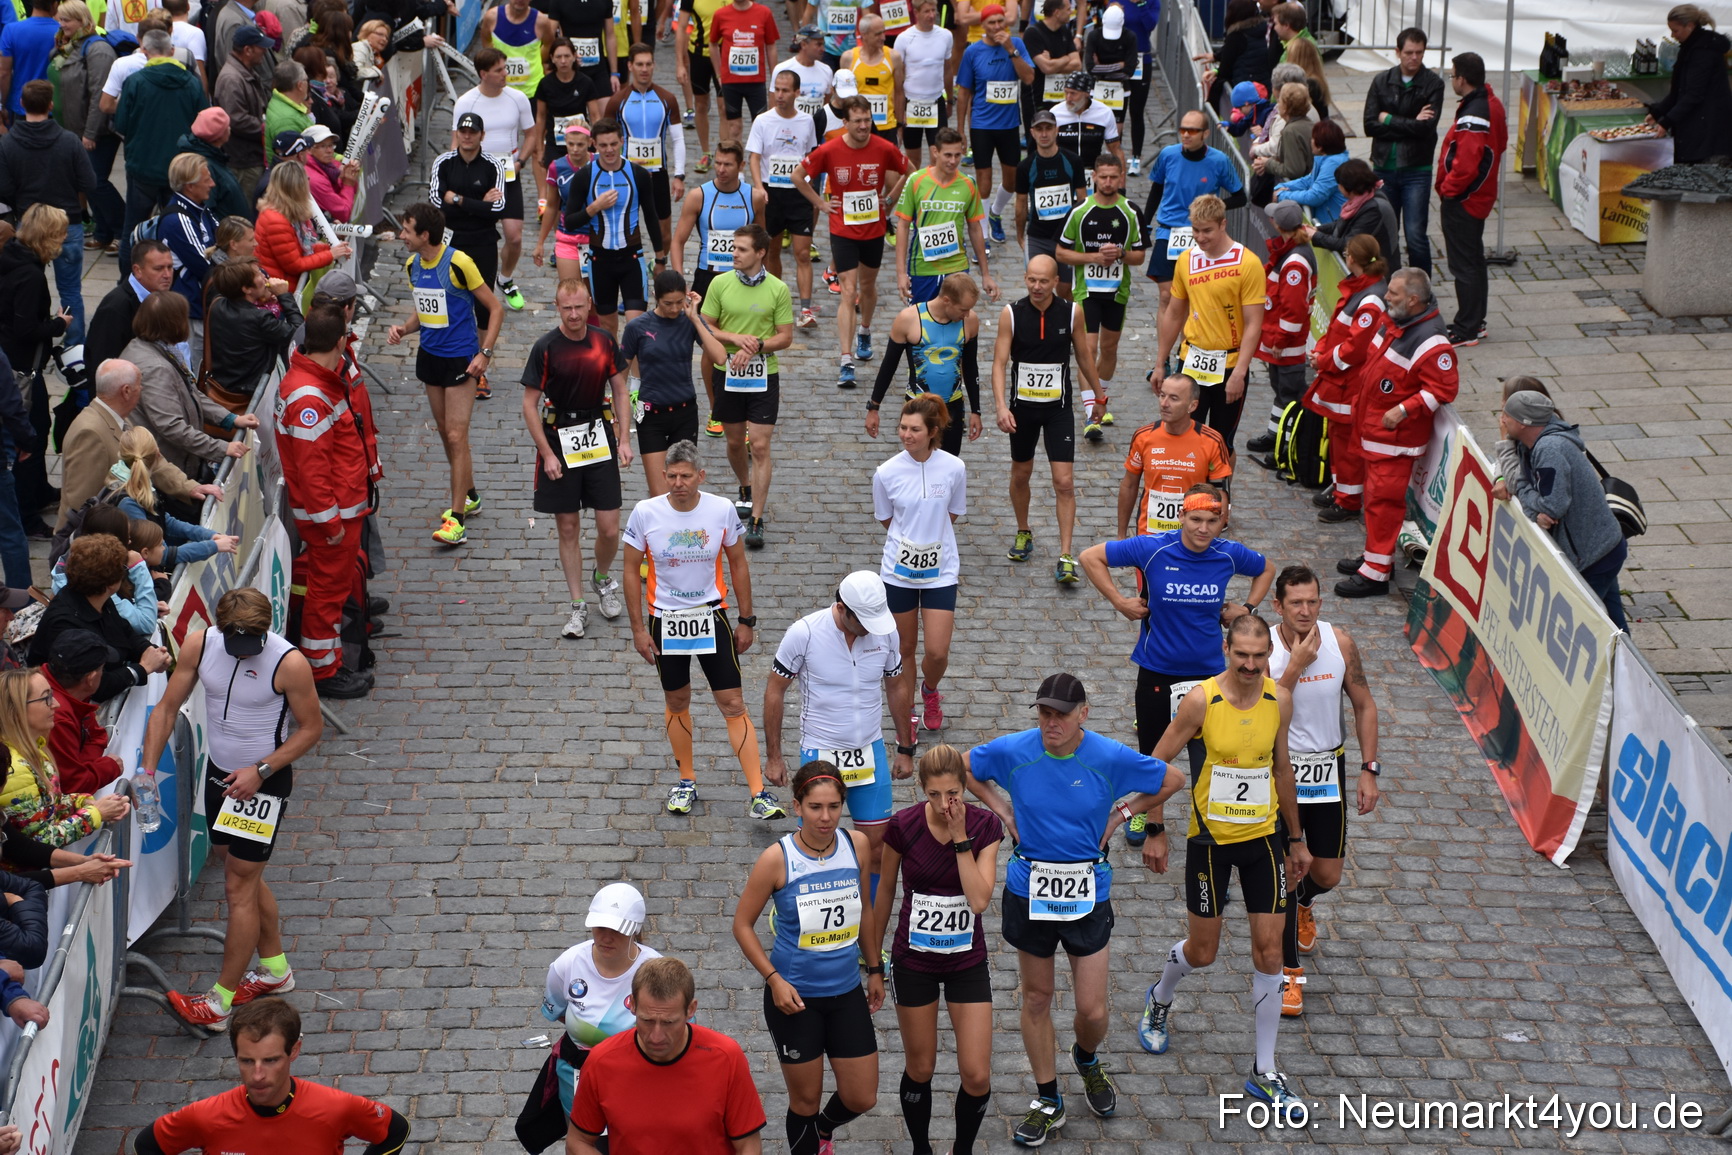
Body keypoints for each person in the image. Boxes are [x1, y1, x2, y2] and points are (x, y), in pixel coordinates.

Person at [963, 672, 1181, 1145]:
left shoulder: (1107, 756)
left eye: (1061, 714)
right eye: (1044, 713)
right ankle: (1047, 1098)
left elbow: (1173, 778)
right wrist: (1001, 811)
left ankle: (1086, 1057)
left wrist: (1122, 815)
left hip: (1088, 894)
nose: (1051, 722)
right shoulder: (1015, 750)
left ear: (1083, 714)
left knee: (1092, 1008)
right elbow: (962, 767)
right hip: (1029, 887)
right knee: (1037, 998)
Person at [1137, 614, 1307, 1109]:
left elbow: (1281, 770)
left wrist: (1296, 839)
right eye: (1242, 655)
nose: (1251, 665)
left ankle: (1266, 1069)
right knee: (1204, 951)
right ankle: (1160, 997)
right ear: (1226, 651)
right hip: (1210, 841)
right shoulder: (1201, 700)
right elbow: (1157, 763)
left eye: (1260, 657)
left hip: (1264, 839)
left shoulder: (1281, 699)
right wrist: (1155, 829)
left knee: (1270, 951)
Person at [139, 589, 324, 1029]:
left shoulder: (288, 662)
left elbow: (311, 728)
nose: (245, 652)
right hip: (220, 774)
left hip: (263, 782)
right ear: (219, 627)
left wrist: (260, 770)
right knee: (236, 868)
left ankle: (220, 1003)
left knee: (238, 886)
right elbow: (166, 709)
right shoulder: (201, 643)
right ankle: (276, 969)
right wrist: (147, 772)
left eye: (254, 641)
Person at [621, 440, 780, 819]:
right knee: (677, 702)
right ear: (663, 476)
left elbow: (738, 563)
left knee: (733, 703)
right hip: (666, 620)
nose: (678, 483)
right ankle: (686, 781)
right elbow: (629, 571)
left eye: (686, 476)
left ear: (700, 476)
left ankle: (758, 793)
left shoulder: (721, 509)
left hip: (712, 616)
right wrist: (638, 630)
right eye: (672, 476)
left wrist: (746, 619)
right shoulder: (645, 513)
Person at [732, 760, 879, 1155]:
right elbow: (742, 925)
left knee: (863, 1095)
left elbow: (864, 910)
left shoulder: (856, 845)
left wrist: (876, 969)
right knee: (805, 1102)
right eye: (815, 807)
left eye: (834, 806)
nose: (826, 817)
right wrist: (773, 979)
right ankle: (809, 1143)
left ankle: (823, 1132)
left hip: (846, 991)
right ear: (797, 807)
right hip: (795, 999)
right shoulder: (776, 859)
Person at [1080, 479, 1273, 763]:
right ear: (1181, 516)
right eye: (1195, 519)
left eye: (1212, 521)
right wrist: (1119, 602)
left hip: (1208, 674)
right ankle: (1147, 808)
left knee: (1209, 759)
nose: (1203, 529)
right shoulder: (1153, 548)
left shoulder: (1227, 554)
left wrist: (1247, 609)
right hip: (1158, 670)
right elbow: (1090, 557)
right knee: (1152, 759)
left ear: (1222, 520)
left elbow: (1267, 569)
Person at [867, 744, 999, 1155]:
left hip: (966, 961)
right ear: (923, 790)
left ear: (965, 788)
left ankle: (962, 1149)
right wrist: (875, 964)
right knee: (920, 1068)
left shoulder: (985, 827)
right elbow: (885, 890)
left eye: (953, 794)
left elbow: (978, 900)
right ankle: (921, 1147)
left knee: (976, 1075)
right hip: (915, 960)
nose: (945, 804)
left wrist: (961, 839)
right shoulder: (903, 826)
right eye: (935, 795)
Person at [1266, 564, 1380, 1015]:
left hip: (1326, 769)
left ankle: (1307, 903)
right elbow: (1260, 710)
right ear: (1278, 606)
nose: (1306, 610)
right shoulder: (1264, 650)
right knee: (1289, 872)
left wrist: (1369, 769)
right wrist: (1294, 668)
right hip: (1279, 772)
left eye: (1313, 601)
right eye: (1296, 602)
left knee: (1327, 874)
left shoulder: (1340, 643)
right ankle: (1290, 977)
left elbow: (1364, 704)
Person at [763, 568, 913, 878]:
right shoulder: (804, 633)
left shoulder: (885, 631)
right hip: (820, 756)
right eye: (864, 622)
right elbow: (774, 692)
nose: (871, 629)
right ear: (842, 609)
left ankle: (867, 923)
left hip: (870, 751)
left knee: (876, 850)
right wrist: (774, 756)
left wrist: (905, 746)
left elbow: (897, 686)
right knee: (817, 849)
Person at [133, 998, 409, 1151]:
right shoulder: (205, 1117)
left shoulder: (335, 1108)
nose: (257, 1075)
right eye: (246, 1061)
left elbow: (395, 1130)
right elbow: (146, 1146)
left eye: (271, 1060)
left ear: (294, 1051)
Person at [384, 202, 504, 547]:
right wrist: (403, 329)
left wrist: (485, 354)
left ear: (424, 235)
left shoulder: (458, 263)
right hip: (430, 357)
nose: (402, 236)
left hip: (461, 360)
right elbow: (424, 310)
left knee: (455, 434)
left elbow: (495, 309)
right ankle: (470, 495)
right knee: (444, 433)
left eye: (407, 230)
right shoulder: (412, 265)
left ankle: (457, 520)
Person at [521, 278, 633, 639]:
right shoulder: (546, 347)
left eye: (579, 307)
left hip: (598, 435)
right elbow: (529, 404)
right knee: (568, 526)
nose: (573, 314)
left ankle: (601, 577)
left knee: (610, 527)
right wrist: (547, 453)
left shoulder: (603, 341)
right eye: (566, 308)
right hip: (559, 438)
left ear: (589, 306)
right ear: (557, 307)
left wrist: (624, 438)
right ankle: (578, 605)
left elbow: (620, 389)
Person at [1336, 267, 1457, 598]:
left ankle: (1375, 574)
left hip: (1395, 441)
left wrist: (1404, 409)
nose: (1386, 297)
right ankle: (1377, 558)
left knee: (1383, 502)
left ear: (1413, 300)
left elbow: (1444, 389)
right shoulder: (1398, 320)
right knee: (1376, 501)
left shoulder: (1431, 341)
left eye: (1394, 293)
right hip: (1376, 430)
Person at [566, 956, 768, 1155]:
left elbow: (748, 1146)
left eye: (669, 1023)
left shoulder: (726, 1057)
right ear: (633, 1005)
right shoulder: (602, 1061)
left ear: (690, 1010)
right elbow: (578, 1142)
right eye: (646, 1020)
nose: (656, 1036)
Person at [274, 306, 376, 699]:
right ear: (339, 341)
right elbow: (313, 474)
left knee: (330, 591)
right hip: (333, 519)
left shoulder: (313, 384)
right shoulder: (309, 397)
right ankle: (322, 672)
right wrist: (330, 525)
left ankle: (329, 659)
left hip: (340, 510)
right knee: (326, 593)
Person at [522, 882, 661, 1142]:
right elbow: (560, 1013)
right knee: (583, 1143)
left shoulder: (655, 970)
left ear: (635, 930)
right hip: (576, 1076)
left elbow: (676, 1030)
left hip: (637, 1079)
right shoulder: (568, 963)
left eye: (617, 930)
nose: (606, 937)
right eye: (600, 927)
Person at [991, 254, 1098, 582]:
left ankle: (1066, 555)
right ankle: (1024, 530)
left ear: (1055, 282)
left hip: (1058, 409)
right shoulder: (1011, 313)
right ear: (1025, 278)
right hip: (1021, 409)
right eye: (1031, 280)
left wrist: (1098, 396)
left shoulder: (1072, 312)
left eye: (1043, 281)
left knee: (1064, 482)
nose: (1037, 287)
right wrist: (1000, 406)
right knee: (1021, 474)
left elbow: (1082, 355)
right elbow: (999, 363)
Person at [793, 94, 910, 388]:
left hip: (873, 229)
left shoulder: (884, 147)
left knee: (867, 287)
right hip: (842, 229)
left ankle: (866, 331)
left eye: (867, 120)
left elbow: (909, 170)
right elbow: (798, 175)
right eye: (857, 121)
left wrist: (891, 200)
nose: (863, 126)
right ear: (844, 122)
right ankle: (846, 360)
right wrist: (820, 203)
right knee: (848, 291)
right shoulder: (831, 149)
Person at [1494, 390, 1630, 630]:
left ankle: (1613, 665)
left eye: (1507, 416)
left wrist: (1526, 497)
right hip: (1603, 545)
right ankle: (1624, 664)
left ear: (1524, 423)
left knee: (1585, 626)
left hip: (1594, 555)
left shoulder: (1549, 450)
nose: (1501, 421)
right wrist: (1533, 507)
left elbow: (1551, 506)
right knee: (1614, 622)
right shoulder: (1531, 442)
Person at [872, 395, 967, 734]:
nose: (905, 435)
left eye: (914, 429)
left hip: (941, 571)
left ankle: (930, 691)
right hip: (898, 572)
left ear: (932, 432)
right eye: (902, 427)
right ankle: (909, 706)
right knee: (905, 648)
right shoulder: (886, 473)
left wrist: (932, 537)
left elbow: (953, 512)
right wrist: (910, 539)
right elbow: (887, 519)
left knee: (938, 652)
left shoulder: (954, 468)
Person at [698, 223, 794, 548]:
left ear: (760, 253)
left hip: (764, 373)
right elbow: (705, 326)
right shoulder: (719, 283)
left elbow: (785, 336)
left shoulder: (778, 289)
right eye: (733, 247)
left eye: (741, 249)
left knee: (762, 446)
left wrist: (755, 346)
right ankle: (744, 485)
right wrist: (735, 339)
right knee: (736, 442)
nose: (733, 253)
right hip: (727, 373)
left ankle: (756, 518)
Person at [1154, 194, 1266, 456]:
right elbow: (1173, 313)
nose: (1200, 237)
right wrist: (1160, 363)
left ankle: (1221, 496)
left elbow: (1253, 323)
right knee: (1183, 436)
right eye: (1195, 230)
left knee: (1221, 443)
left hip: (1228, 364)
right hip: (1191, 359)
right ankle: (1188, 496)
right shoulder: (1186, 260)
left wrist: (1240, 372)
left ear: (1223, 224)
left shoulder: (1247, 263)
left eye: (1207, 231)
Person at [56, 358, 215, 530]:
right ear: (126, 391)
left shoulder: (118, 416)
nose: (142, 389)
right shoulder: (90, 433)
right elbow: (81, 502)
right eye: (140, 385)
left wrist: (189, 488)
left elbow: (153, 459)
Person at [127, 291, 261, 486]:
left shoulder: (154, 349)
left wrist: (230, 419)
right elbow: (172, 426)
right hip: (165, 471)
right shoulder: (156, 368)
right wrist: (221, 448)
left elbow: (188, 392)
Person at [0, 80, 97, 346]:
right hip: (68, 226)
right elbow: (90, 183)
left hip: (29, 227)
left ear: (21, 103)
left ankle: (33, 334)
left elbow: (4, 188)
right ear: (51, 105)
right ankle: (76, 350)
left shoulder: (8, 144)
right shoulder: (69, 141)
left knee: (27, 287)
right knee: (70, 291)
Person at [1056, 151, 1138, 442]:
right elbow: (1060, 252)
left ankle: (1101, 396)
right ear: (1094, 178)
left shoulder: (1130, 211)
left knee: (1110, 348)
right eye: (1102, 176)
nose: (1107, 181)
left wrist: (1122, 254)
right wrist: (1092, 256)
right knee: (1087, 350)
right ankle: (1093, 410)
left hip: (1117, 292)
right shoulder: (1080, 212)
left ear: (1121, 177)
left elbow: (1140, 256)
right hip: (1086, 290)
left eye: (1113, 177)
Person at [0, 666, 128, 852]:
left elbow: (49, 804)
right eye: (46, 698)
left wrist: (82, 802)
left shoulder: (34, 748)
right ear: (17, 709)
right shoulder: (14, 768)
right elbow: (40, 842)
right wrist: (97, 813)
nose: (56, 704)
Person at [1308, 233, 1388, 524]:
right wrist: (1321, 351)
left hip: (1350, 384)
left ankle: (1348, 501)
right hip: (1340, 380)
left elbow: (1354, 349)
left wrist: (1324, 360)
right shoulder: (1360, 291)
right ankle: (1340, 489)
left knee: (1348, 444)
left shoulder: (1369, 300)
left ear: (1351, 258)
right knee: (1338, 440)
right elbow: (1336, 331)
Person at [113, 27, 209, 272]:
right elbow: (201, 125)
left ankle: (127, 282)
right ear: (172, 50)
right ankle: (172, 278)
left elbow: (121, 123)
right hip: (180, 172)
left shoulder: (134, 82)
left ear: (144, 50)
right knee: (178, 228)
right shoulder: (192, 83)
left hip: (142, 168)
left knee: (132, 229)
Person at [452, 48, 539, 310]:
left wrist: (521, 161)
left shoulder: (518, 98)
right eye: (500, 70)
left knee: (514, 236)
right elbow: (456, 141)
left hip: (508, 173)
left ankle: (506, 278)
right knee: (475, 235)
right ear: (483, 74)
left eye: (505, 68)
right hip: (476, 174)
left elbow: (532, 134)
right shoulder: (467, 102)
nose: (506, 74)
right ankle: (471, 284)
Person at [28, 535, 167, 701]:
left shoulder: (97, 597)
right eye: (122, 569)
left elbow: (123, 631)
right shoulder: (65, 624)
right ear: (110, 583)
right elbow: (95, 686)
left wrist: (149, 650)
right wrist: (143, 668)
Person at [0, 204, 70, 525]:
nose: (66, 238)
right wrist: (58, 324)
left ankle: (39, 491)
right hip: (23, 368)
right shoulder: (30, 274)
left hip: (14, 361)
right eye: (62, 233)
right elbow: (26, 328)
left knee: (37, 428)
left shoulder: (14, 256)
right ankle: (28, 511)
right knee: (32, 434)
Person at [562, 117, 665, 333]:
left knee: (636, 326)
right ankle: (616, 368)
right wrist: (594, 207)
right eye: (603, 145)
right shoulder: (585, 176)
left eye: (613, 144)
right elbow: (569, 222)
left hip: (632, 257)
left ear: (622, 141)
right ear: (594, 145)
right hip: (600, 261)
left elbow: (651, 216)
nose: (609, 150)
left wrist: (660, 258)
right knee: (608, 327)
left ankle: (634, 368)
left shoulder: (638, 174)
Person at [1141, 109, 1245, 317]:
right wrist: (1144, 224)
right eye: (1183, 129)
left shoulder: (1219, 161)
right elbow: (1156, 190)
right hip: (1168, 232)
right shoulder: (1168, 155)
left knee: (1191, 297)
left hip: (1201, 235)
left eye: (1192, 130)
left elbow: (1240, 197)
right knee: (1166, 296)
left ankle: (1186, 347)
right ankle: (1164, 351)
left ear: (1205, 134)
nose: (1186, 135)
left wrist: (1211, 209)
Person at [867, 272, 982, 458]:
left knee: (947, 468)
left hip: (952, 406)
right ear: (947, 300)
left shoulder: (970, 321)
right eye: (963, 309)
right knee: (919, 467)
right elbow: (888, 366)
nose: (967, 314)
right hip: (918, 407)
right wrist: (873, 408)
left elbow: (970, 367)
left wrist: (976, 411)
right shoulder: (908, 319)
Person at [1435, 51, 1505, 348]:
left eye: (1452, 76)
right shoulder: (1491, 103)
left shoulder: (1475, 112)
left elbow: (1467, 162)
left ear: (1462, 79)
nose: (1452, 80)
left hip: (1465, 200)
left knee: (1464, 264)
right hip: (1477, 197)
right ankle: (1475, 320)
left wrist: (1450, 190)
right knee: (1473, 262)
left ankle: (1466, 328)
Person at [1362, 26, 1442, 273]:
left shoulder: (1433, 84)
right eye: (1409, 52)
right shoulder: (1382, 81)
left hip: (1417, 168)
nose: (1414, 57)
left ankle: (1422, 286)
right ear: (1398, 52)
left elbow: (1426, 129)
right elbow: (1369, 124)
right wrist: (1409, 122)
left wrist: (1388, 119)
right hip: (1385, 167)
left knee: (1416, 234)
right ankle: (1388, 282)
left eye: (1419, 52)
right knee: (1386, 232)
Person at [619, 271, 706, 495]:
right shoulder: (637, 327)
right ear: (656, 298)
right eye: (668, 303)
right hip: (651, 417)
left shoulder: (689, 319)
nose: (675, 309)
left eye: (680, 302)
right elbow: (620, 378)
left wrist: (695, 318)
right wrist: (620, 429)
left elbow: (718, 356)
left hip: (684, 414)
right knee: (660, 495)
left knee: (683, 490)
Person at [603, 43, 687, 273]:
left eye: (648, 64)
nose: (644, 69)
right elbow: (604, 140)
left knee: (664, 234)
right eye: (639, 64)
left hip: (658, 174)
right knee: (626, 231)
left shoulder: (667, 99)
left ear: (654, 66)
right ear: (630, 66)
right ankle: (632, 274)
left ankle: (657, 263)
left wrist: (679, 175)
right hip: (626, 175)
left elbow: (678, 139)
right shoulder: (617, 101)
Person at [1117, 375, 1232, 541]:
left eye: (1174, 398)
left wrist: (1211, 540)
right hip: (1150, 535)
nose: (1164, 404)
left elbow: (1221, 494)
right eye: (1162, 395)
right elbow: (1129, 485)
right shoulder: (1144, 436)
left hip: (1193, 538)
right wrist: (1121, 536)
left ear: (1192, 405)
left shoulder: (1212, 441)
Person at [952, 2, 1031, 240]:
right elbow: (964, 92)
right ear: (983, 25)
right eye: (991, 23)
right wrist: (961, 131)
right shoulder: (973, 52)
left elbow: (1028, 78)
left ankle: (995, 212)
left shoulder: (1016, 44)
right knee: (983, 181)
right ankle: (983, 233)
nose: (997, 26)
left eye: (1000, 21)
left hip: (1009, 125)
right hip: (982, 125)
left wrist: (1010, 50)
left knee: (1012, 179)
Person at [432, 109, 510, 347]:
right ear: (457, 133)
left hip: (483, 242)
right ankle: (450, 350)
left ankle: (481, 361)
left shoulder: (493, 165)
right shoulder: (443, 163)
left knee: (484, 305)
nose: (467, 136)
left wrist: (457, 199)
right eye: (463, 132)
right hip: (451, 241)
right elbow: (436, 206)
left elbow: (498, 208)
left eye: (472, 132)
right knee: (447, 298)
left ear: (482, 135)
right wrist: (480, 204)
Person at [54, 0, 127, 255]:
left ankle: (123, 231)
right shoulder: (70, 45)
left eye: (67, 21)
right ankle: (104, 233)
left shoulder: (98, 50)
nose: (62, 25)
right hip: (77, 129)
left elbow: (99, 94)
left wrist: (90, 132)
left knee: (95, 181)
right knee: (87, 181)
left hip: (98, 131)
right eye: (60, 19)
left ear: (83, 21)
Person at [748, 66, 819, 324]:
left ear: (797, 93)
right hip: (771, 193)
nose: (779, 95)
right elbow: (754, 158)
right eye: (776, 89)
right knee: (771, 252)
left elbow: (811, 157)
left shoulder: (806, 121)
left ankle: (806, 310)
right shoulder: (763, 121)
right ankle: (777, 304)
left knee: (802, 253)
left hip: (798, 193)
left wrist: (812, 190)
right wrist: (759, 187)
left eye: (785, 90)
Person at [1244, 200, 1315, 459]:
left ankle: (1287, 448)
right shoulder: (1289, 252)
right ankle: (1275, 436)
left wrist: (1281, 340)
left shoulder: (1294, 262)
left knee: (1290, 396)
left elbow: (1293, 309)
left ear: (1276, 224)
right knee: (1281, 392)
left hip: (1286, 344)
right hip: (1279, 340)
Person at [892, 127, 994, 307]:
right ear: (935, 152)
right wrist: (900, 273)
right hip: (922, 267)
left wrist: (985, 275)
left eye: (957, 155)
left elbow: (975, 227)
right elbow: (902, 225)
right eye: (947, 155)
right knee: (922, 325)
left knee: (957, 319)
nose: (953, 161)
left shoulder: (968, 184)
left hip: (957, 267)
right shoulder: (916, 181)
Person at [254, 159, 353, 304]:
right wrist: (331, 254)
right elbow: (295, 265)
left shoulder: (289, 212)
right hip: (280, 294)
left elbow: (304, 248)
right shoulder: (276, 221)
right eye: (306, 180)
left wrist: (331, 249)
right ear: (297, 187)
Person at [205, 260, 304, 398]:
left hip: (225, 385)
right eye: (258, 274)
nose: (264, 277)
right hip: (251, 394)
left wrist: (263, 301)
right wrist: (284, 296)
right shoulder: (260, 318)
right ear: (246, 289)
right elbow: (298, 333)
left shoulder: (218, 304)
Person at [43, 629, 126, 795]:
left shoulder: (72, 696)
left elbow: (97, 736)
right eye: (102, 668)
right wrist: (110, 767)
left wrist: (84, 766)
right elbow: (72, 785)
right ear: (91, 678)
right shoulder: (56, 714)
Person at [1645, 4, 1732, 163]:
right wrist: (1657, 113)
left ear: (1690, 26)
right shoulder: (1691, 46)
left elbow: (1693, 94)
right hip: (1699, 124)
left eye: (1675, 30)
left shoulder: (1704, 51)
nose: (1672, 35)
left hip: (1709, 129)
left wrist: (1666, 121)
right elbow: (1678, 91)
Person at [157, 152, 222, 331]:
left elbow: (226, 240)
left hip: (202, 306)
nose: (212, 184)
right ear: (190, 187)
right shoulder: (178, 220)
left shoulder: (201, 210)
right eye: (207, 180)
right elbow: (205, 265)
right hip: (191, 311)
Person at [1013, 107, 1085, 269]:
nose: (1044, 134)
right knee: (1037, 283)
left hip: (1067, 237)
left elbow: (1082, 199)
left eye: (1048, 129)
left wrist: (1081, 233)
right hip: (1038, 237)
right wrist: (1020, 236)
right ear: (1032, 133)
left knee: (1066, 289)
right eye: (1039, 129)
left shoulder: (1073, 161)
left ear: (1057, 130)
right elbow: (1021, 204)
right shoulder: (1025, 167)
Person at [1303, 156, 1400, 272]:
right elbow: (1342, 223)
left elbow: (1348, 244)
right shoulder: (1363, 198)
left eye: (1339, 184)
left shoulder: (1373, 210)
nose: (1338, 187)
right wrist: (1318, 229)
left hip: (1378, 273)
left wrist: (1315, 236)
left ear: (1348, 187)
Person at [215, 26, 274, 198]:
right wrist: (266, 129)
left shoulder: (244, 72)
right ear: (248, 50)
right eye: (260, 46)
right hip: (244, 162)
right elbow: (236, 120)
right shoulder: (232, 79)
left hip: (250, 157)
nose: (264, 50)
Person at [533, 121, 595, 282]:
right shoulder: (557, 167)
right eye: (571, 144)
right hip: (569, 238)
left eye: (580, 144)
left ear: (590, 142)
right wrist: (541, 243)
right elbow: (552, 206)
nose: (575, 149)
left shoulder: (600, 163)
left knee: (596, 301)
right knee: (572, 295)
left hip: (597, 239)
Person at [709, 0, 778, 141]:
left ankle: (757, 162)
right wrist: (718, 73)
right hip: (731, 81)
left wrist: (775, 77)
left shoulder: (764, 13)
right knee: (734, 127)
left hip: (756, 81)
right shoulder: (721, 15)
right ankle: (736, 161)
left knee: (761, 126)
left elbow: (771, 46)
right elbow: (712, 43)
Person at [892, 0, 950, 168]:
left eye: (934, 11)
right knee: (913, 160)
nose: (932, 15)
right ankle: (915, 191)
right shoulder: (903, 39)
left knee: (937, 158)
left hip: (935, 101)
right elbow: (898, 79)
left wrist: (950, 100)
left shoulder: (945, 36)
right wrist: (899, 112)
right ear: (916, 13)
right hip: (912, 103)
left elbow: (948, 69)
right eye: (927, 11)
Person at [532, 38, 602, 166]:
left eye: (567, 56)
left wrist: (598, 144)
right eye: (559, 57)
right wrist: (540, 149)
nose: (563, 61)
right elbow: (540, 118)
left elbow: (595, 116)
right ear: (552, 58)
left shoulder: (585, 82)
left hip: (581, 142)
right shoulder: (545, 84)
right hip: (555, 143)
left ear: (574, 57)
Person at [179, 107, 254, 224]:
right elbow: (207, 210)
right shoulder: (205, 166)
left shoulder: (214, 158)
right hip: (227, 236)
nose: (230, 128)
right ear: (219, 136)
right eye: (227, 126)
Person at [1198, 0, 1274, 107]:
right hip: (1262, 87)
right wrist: (1216, 56)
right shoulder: (1261, 30)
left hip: (1243, 90)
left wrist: (1217, 70)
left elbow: (1225, 69)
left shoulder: (1236, 36)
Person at [1273, 117, 1348, 223]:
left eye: (1313, 138)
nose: (1310, 141)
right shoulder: (1325, 159)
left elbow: (1315, 196)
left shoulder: (1333, 164)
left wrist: (1282, 196)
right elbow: (1308, 180)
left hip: (1333, 226)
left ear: (1321, 146)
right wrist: (1282, 187)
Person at [1249, 82, 1312, 205]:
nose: (1278, 105)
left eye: (1281, 101)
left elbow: (1294, 170)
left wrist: (1267, 164)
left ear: (1286, 107)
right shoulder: (1307, 123)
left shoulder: (1291, 131)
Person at [837, 11, 897, 141]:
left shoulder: (893, 57)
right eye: (878, 34)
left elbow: (900, 92)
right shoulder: (848, 58)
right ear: (864, 35)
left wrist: (900, 124)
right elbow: (842, 96)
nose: (883, 37)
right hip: (860, 126)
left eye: (883, 32)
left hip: (886, 126)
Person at [482, 0, 556, 102]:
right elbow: (486, 42)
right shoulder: (492, 17)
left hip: (533, 90)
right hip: (500, 89)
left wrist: (537, 60)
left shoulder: (541, 21)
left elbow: (549, 45)